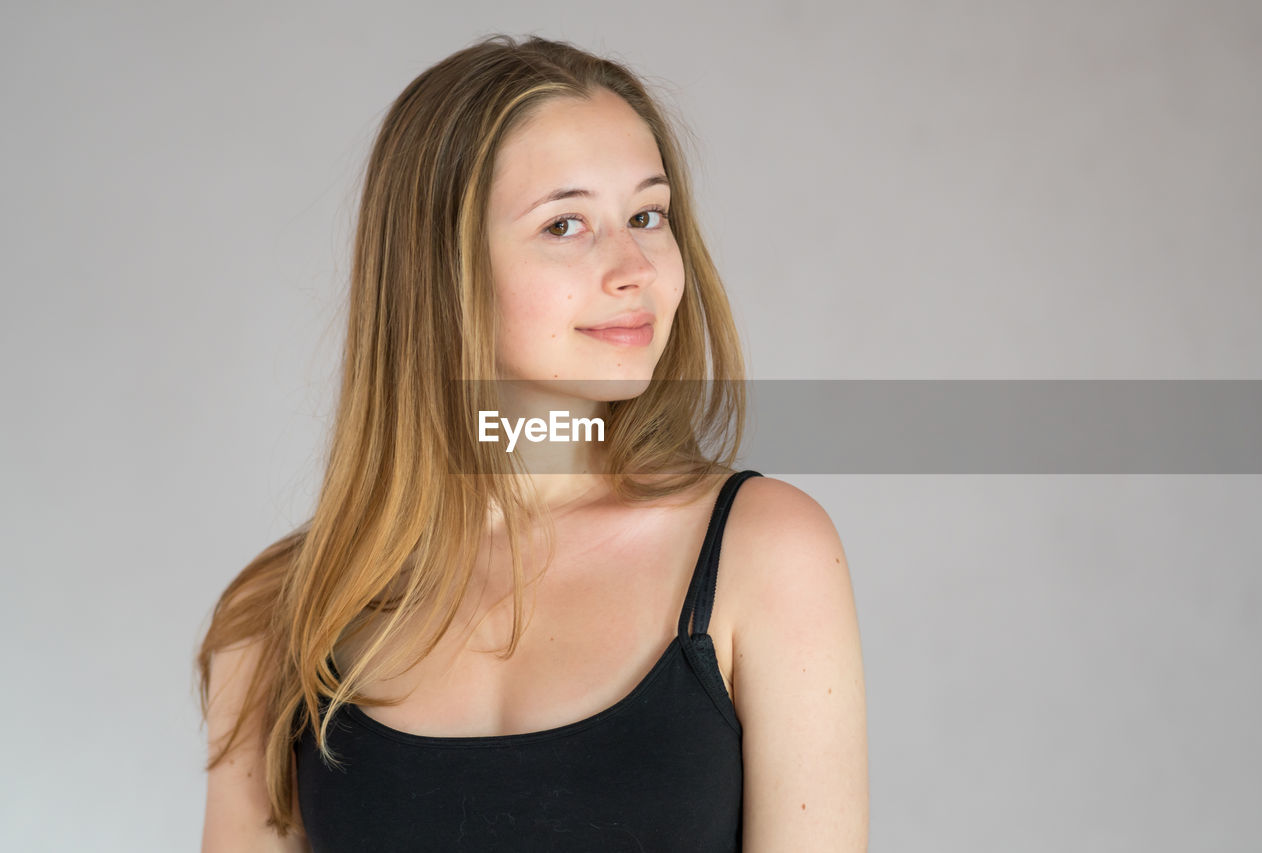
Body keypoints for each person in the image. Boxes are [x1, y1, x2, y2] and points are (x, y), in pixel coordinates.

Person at [196, 33, 867, 851]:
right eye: (566, 224)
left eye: (648, 216)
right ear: (442, 270)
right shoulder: (275, 622)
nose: (635, 267)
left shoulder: (766, 553)